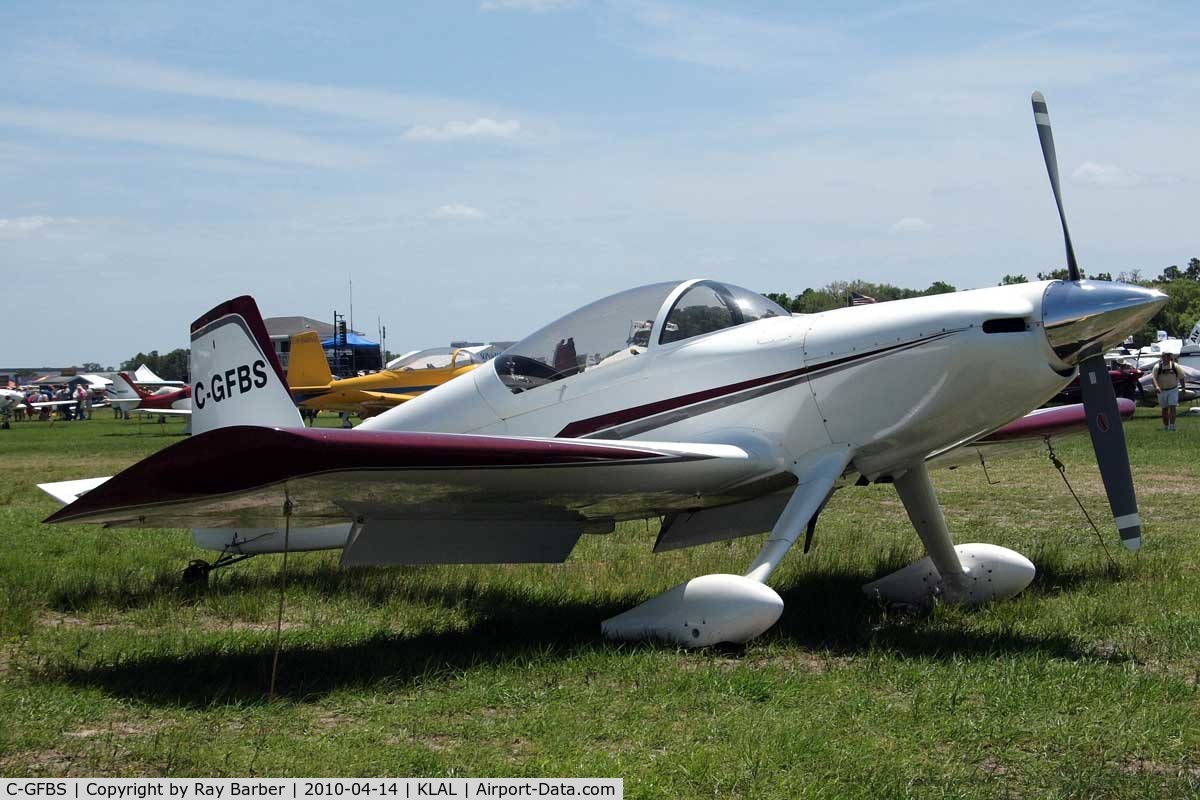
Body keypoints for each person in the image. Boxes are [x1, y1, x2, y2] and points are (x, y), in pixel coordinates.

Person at [1151, 352, 1186, 431]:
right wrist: (1156, 386)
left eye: (1166, 356)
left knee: (1172, 406)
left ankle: (1172, 425)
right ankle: (1166, 426)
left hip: (1173, 389)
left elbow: (1181, 377)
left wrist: (1183, 388)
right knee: (1164, 408)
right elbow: (1153, 378)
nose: (1164, 358)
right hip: (1162, 390)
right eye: (1163, 356)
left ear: (1169, 357)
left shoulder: (1175, 366)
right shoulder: (1157, 366)